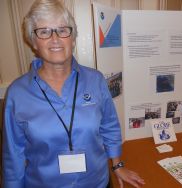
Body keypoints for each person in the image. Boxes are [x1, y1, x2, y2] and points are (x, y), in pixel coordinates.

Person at [2, 0, 145, 187]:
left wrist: (117, 165)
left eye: (62, 30)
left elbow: (109, 125)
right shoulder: (18, 93)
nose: (55, 39)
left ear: (73, 37)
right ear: (33, 42)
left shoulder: (96, 80)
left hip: (97, 183)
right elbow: (13, 154)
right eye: (44, 31)